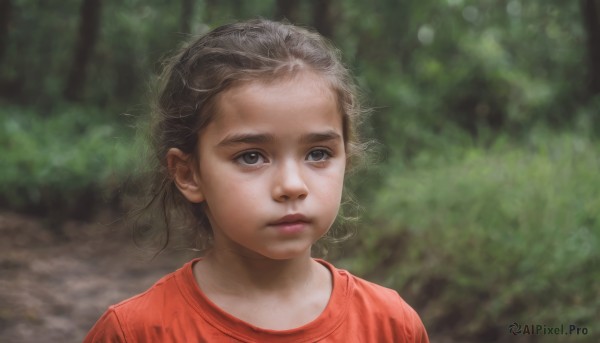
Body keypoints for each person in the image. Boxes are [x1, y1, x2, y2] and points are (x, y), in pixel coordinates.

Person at [84, 19, 429, 342]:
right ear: (189, 174)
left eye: (318, 154)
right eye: (251, 156)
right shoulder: (136, 332)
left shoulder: (390, 326)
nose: (293, 185)